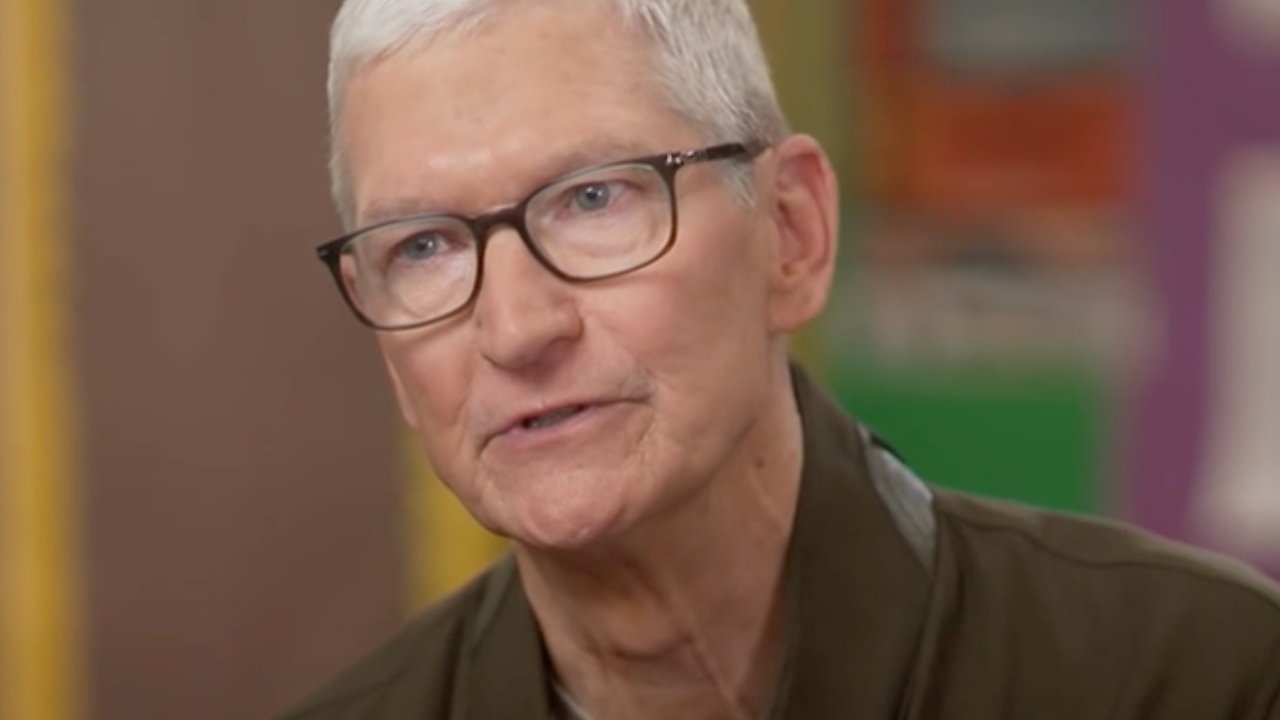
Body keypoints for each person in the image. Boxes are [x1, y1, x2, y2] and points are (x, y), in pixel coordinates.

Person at [281, 0, 1280, 717]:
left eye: (594, 198)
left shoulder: (1196, 677)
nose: (514, 327)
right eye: (423, 248)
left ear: (792, 233)